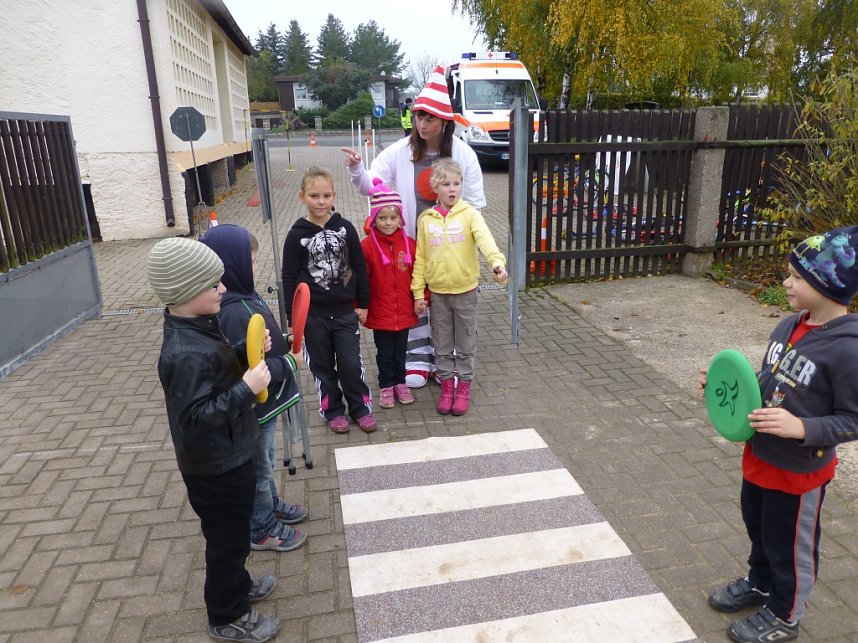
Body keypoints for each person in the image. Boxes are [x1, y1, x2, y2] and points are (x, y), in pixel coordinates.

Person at [699, 227, 858, 643]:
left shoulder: (848, 351)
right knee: (760, 530)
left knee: (791, 548)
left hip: (798, 474)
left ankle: (786, 613)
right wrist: (727, 384)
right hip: (760, 457)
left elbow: (853, 419)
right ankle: (760, 583)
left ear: (830, 286)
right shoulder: (789, 325)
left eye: (797, 277)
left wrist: (803, 427)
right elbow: (771, 381)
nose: (786, 282)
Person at [146, 237, 280, 642]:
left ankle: (237, 586)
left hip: (230, 454)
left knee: (236, 535)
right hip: (214, 466)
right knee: (225, 542)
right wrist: (246, 386)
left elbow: (216, 370)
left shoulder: (199, 328)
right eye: (213, 284)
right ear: (186, 292)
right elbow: (195, 417)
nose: (223, 289)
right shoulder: (184, 353)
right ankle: (226, 614)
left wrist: (244, 352)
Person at [341, 64, 486, 389]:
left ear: (443, 121)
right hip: (411, 242)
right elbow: (372, 185)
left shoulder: (463, 154)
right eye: (419, 116)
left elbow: (475, 202)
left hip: (449, 244)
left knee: (446, 304)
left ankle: (443, 361)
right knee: (415, 300)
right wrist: (356, 170)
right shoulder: (400, 151)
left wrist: (469, 242)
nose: (421, 123)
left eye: (429, 118)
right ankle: (419, 360)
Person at [200, 224, 309, 553]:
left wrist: (286, 341)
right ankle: (260, 527)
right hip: (252, 410)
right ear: (228, 264)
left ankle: (269, 505)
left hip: (264, 407)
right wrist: (289, 363)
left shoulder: (245, 295)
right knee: (259, 469)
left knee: (267, 460)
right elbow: (250, 366)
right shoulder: (232, 311)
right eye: (249, 260)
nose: (255, 266)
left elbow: (263, 340)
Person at [281, 165, 375, 434]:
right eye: (314, 196)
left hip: (345, 312)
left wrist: (364, 304)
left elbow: (358, 267)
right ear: (302, 197)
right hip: (313, 316)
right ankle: (332, 410)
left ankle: (360, 407)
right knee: (322, 367)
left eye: (325, 196)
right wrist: (292, 321)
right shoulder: (296, 235)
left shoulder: (345, 228)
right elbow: (289, 280)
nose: (320, 202)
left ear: (334, 196)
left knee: (350, 363)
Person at [411, 159, 508, 416]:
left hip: (466, 293)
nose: (452, 189)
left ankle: (463, 386)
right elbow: (420, 257)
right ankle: (446, 387)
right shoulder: (426, 220)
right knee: (441, 344)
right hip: (439, 294)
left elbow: (486, 241)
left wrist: (497, 264)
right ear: (436, 187)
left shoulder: (470, 214)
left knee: (465, 343)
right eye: (446, 184)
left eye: (457, 183)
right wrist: (418, 292)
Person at [360, 178, 418, 408]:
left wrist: (423, 298)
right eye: (382, 218)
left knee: (400, 351)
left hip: (404, 309)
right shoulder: (366, 246)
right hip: (380, 312)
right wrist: (360, 305)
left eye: (393, 218)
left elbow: (419, 274)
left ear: (400, 219)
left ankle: (400, 383)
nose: (388, 223)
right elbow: (361, 279)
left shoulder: (410, 244)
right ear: (374, 218)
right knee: (384, 353)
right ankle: (386, 386)